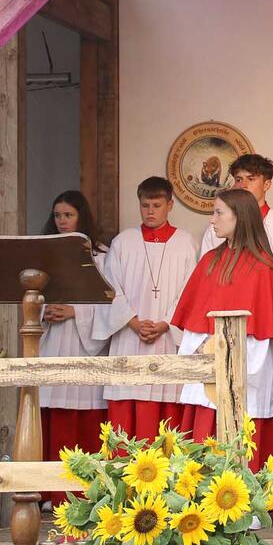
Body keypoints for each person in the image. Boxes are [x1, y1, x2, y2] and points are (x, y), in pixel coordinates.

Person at [174, 188, 273, 471]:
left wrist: (233, 358)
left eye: (218, 213)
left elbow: (262, 331)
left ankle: (246, 506)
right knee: (203, 432)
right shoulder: (209, 261)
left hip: (248, 366)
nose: (212, 220)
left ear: (240, 217)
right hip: (208, 368)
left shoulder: (263, 267)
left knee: (243, 432)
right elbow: (195, 321)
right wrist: (204, 350)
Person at [197, 154, 273, 422]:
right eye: (238, 179)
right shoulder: (215, 235)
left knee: (256, 406)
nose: (242, 184)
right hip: (214, 337)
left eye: (250, 179)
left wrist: (271, 318)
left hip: (260, 333)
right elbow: (206, 286)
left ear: (267, 184)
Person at [92, 177, 197, 440]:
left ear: (170, 205)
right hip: (129, 335)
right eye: (145, 205)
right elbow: (109, 287)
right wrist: (132, 321)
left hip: (166, 339)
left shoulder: (186, 243)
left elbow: (190, 291)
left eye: (156, 205)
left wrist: (165, 323)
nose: (150, 211)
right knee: (126, 412)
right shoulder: (123, 242)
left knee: (167, 411)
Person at [39, 190, 109, 508]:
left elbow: (113, 303)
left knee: (85, 419)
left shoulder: (102, 256)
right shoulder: (43, 254)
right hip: (53, 341)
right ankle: (52, 493)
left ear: (82, 216)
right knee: (54, 419)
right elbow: (26, 294)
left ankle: (85, 493)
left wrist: (75, 312)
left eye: (68, 215)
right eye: (57, 215)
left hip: (85, 345)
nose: (62, 221)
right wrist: (44, 311)